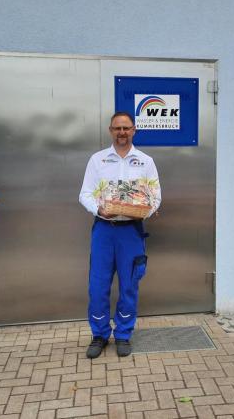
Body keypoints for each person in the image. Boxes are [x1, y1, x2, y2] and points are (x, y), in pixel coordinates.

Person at [78, 111, 161, 358]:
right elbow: (85, 194)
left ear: (134, 130)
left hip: (131, 232)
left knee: (129, 285)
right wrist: (99, 209)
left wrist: (146, 211)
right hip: (104, 230)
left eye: (126, 128)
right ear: (110, 131)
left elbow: (156, 196)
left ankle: (123, 334)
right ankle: (100, 335)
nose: (122, 132)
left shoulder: (145, 161)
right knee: (98, 286)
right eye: (117, 128)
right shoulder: (98, 160)